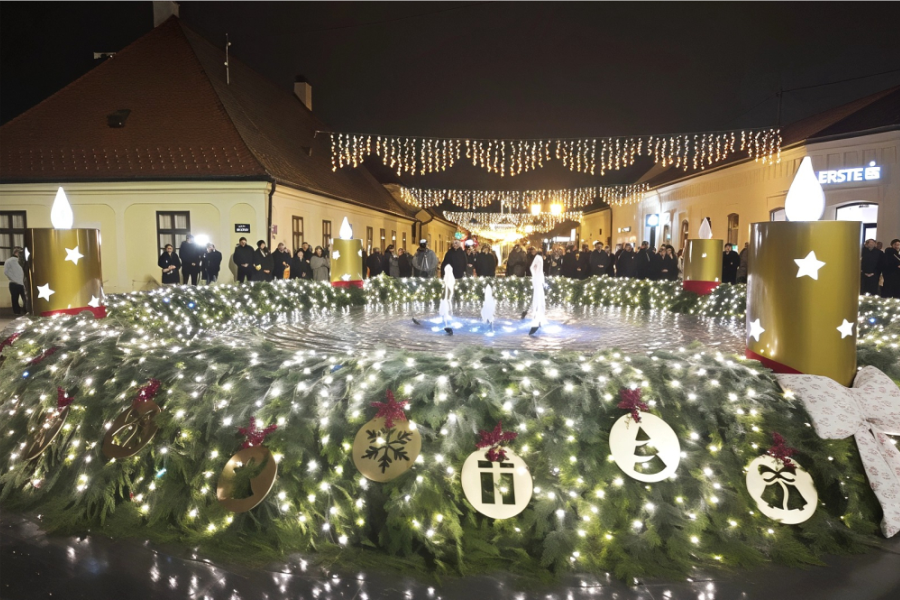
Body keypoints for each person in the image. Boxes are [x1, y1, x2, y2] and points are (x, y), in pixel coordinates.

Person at [4, 246, 26, 314]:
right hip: (20, 282)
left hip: (14, 283)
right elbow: (6, 272)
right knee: (24, 298)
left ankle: (17, 312)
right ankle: (25, 311)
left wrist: (13, 278)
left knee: (15, 298)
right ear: (17, 253)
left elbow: (6, 272)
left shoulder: (9, 261)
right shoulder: (19, 261)